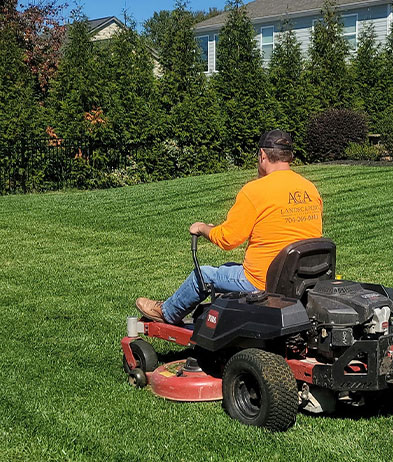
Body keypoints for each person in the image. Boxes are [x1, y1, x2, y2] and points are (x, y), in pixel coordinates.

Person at [135, 129, 323, 324]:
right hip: (298, 280)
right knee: (227, 269)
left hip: (261, 281)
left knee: (204, 274)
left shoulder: (255, 190)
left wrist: (202, 228)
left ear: (262, 155)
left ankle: (167, 312)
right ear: (289, 156)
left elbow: (228, 239)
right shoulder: (309, 188)